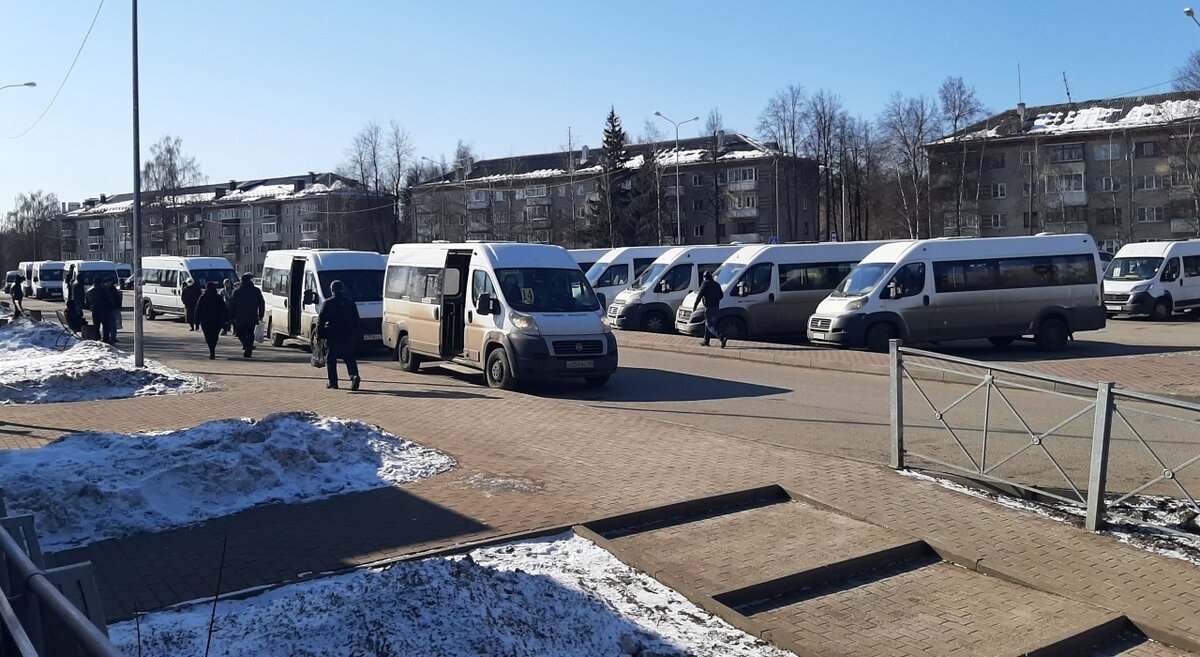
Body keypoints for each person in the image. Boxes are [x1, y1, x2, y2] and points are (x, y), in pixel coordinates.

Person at [317, 279, 361, 390]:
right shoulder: (350, 302)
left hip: (332, 334)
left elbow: (321, 321)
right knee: (349, 358)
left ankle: (333, 382)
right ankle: (354, 376)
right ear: (342, 289)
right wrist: (354, 333)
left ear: (332, 290)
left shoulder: (328, 303)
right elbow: (356, 319)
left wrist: (319, 336)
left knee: (331, 359)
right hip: (347, 334)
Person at [229, 273, 264, 358]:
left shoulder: (237, 291)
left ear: (242, 281)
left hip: (240, 316)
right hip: (252, 316)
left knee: (240, 333)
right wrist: (261, 315)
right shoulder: (256, 290)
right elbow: (261, 303)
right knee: (250, 333)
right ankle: (249, 350)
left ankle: (247, 346)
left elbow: (232, 305)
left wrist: (231, 316)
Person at [195, 282, 229, 360]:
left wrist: (196, 322)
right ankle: (212, 349)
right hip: (217, 320)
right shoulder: (218, 297)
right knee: (214, 336)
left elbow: (197, 310)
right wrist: (226, 320)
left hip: (205, 321)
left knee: (208, 337)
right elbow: (224, 309)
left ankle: (211, 351)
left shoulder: (202, 297)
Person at [693, 270, 726, 349]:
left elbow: (699, 295)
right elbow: (721, 296)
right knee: (708, 324)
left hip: (709, 308)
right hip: (716, 308)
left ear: (705, 278)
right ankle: (706, 341)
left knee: (710, 325)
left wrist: (695, 305)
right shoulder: (716, 284)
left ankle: (722, 338)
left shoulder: (705, 284)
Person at [86, 279, 115, 344]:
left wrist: (91, 307)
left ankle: (97, 337)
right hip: (104, 310)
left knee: (96, 325)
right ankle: (106, 339)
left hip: (95, 310)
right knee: (105, 325)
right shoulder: (104, 291)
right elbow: (109, 300)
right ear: (100, 283)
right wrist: (111, 307)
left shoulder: (90, 291)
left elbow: (87, 301)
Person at [107, 278, 123, 343]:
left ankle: (113, 337)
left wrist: (118, 307)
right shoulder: (105, 290)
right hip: (107, 309)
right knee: (108, 325)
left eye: (109, 282)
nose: (108, 284)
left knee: (113, 324)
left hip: (114, 309)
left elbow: (117, 299)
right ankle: (108, 337)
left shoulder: (113, 290)